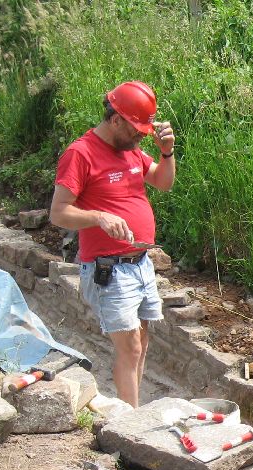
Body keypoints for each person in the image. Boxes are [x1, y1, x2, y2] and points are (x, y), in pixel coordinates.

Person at [49, 81, 176, 408]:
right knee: (130, 347)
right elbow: (58, 213)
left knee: (141, 345)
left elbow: (163, 182)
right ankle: (130, 424)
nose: (140, 136)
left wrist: (166, 152)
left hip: (140, 265)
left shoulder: (130, 149)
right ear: (115, 119)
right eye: (136, 129)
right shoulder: (81, 154)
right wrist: (98, 217)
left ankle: (129, 413)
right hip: (109, 269)